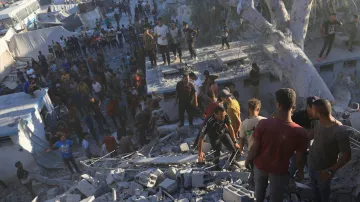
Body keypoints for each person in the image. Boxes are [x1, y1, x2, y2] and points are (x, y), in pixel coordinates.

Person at [245, 88, 308, 202]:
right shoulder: (300, 132)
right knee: (276, 198)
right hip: (279, 171)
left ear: (278, 104)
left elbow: (255, 147)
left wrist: (248, 159)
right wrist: (300, 171)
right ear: (293, 107)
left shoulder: (263, 124)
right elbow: (299, 159)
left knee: (259, 195)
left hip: (260, 166)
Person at [308, 99, 352, 202]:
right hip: (311, 165)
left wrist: (330, 171)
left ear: (318, 114)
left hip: (324, 171)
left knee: (324, 194)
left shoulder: (339, 130)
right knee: (314, 192)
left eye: (311, 109)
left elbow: (347, 155)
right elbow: (310, 135)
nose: (309, 110)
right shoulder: (318, 122)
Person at [197, 106, 240, 170]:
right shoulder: (209, 122)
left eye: (223, 115)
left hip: (223, 133)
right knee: (217, 153)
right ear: (215, 114)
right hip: (214, 137)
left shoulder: (225, 116)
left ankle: (232, 162)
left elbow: (230, 128)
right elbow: (201, 137)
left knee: (233, 149)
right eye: (221, 116)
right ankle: (216, 167)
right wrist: (200, 152)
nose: (223, 118)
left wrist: (235, 141)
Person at [239, 98, 266, 187]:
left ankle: (254, 188)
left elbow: (242, 139)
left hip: (252, 151)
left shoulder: (244, 123)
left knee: (254, 171)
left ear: (248, 109)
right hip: (264, 150)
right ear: (258, 109)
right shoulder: (264, 120)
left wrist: (241, 149)